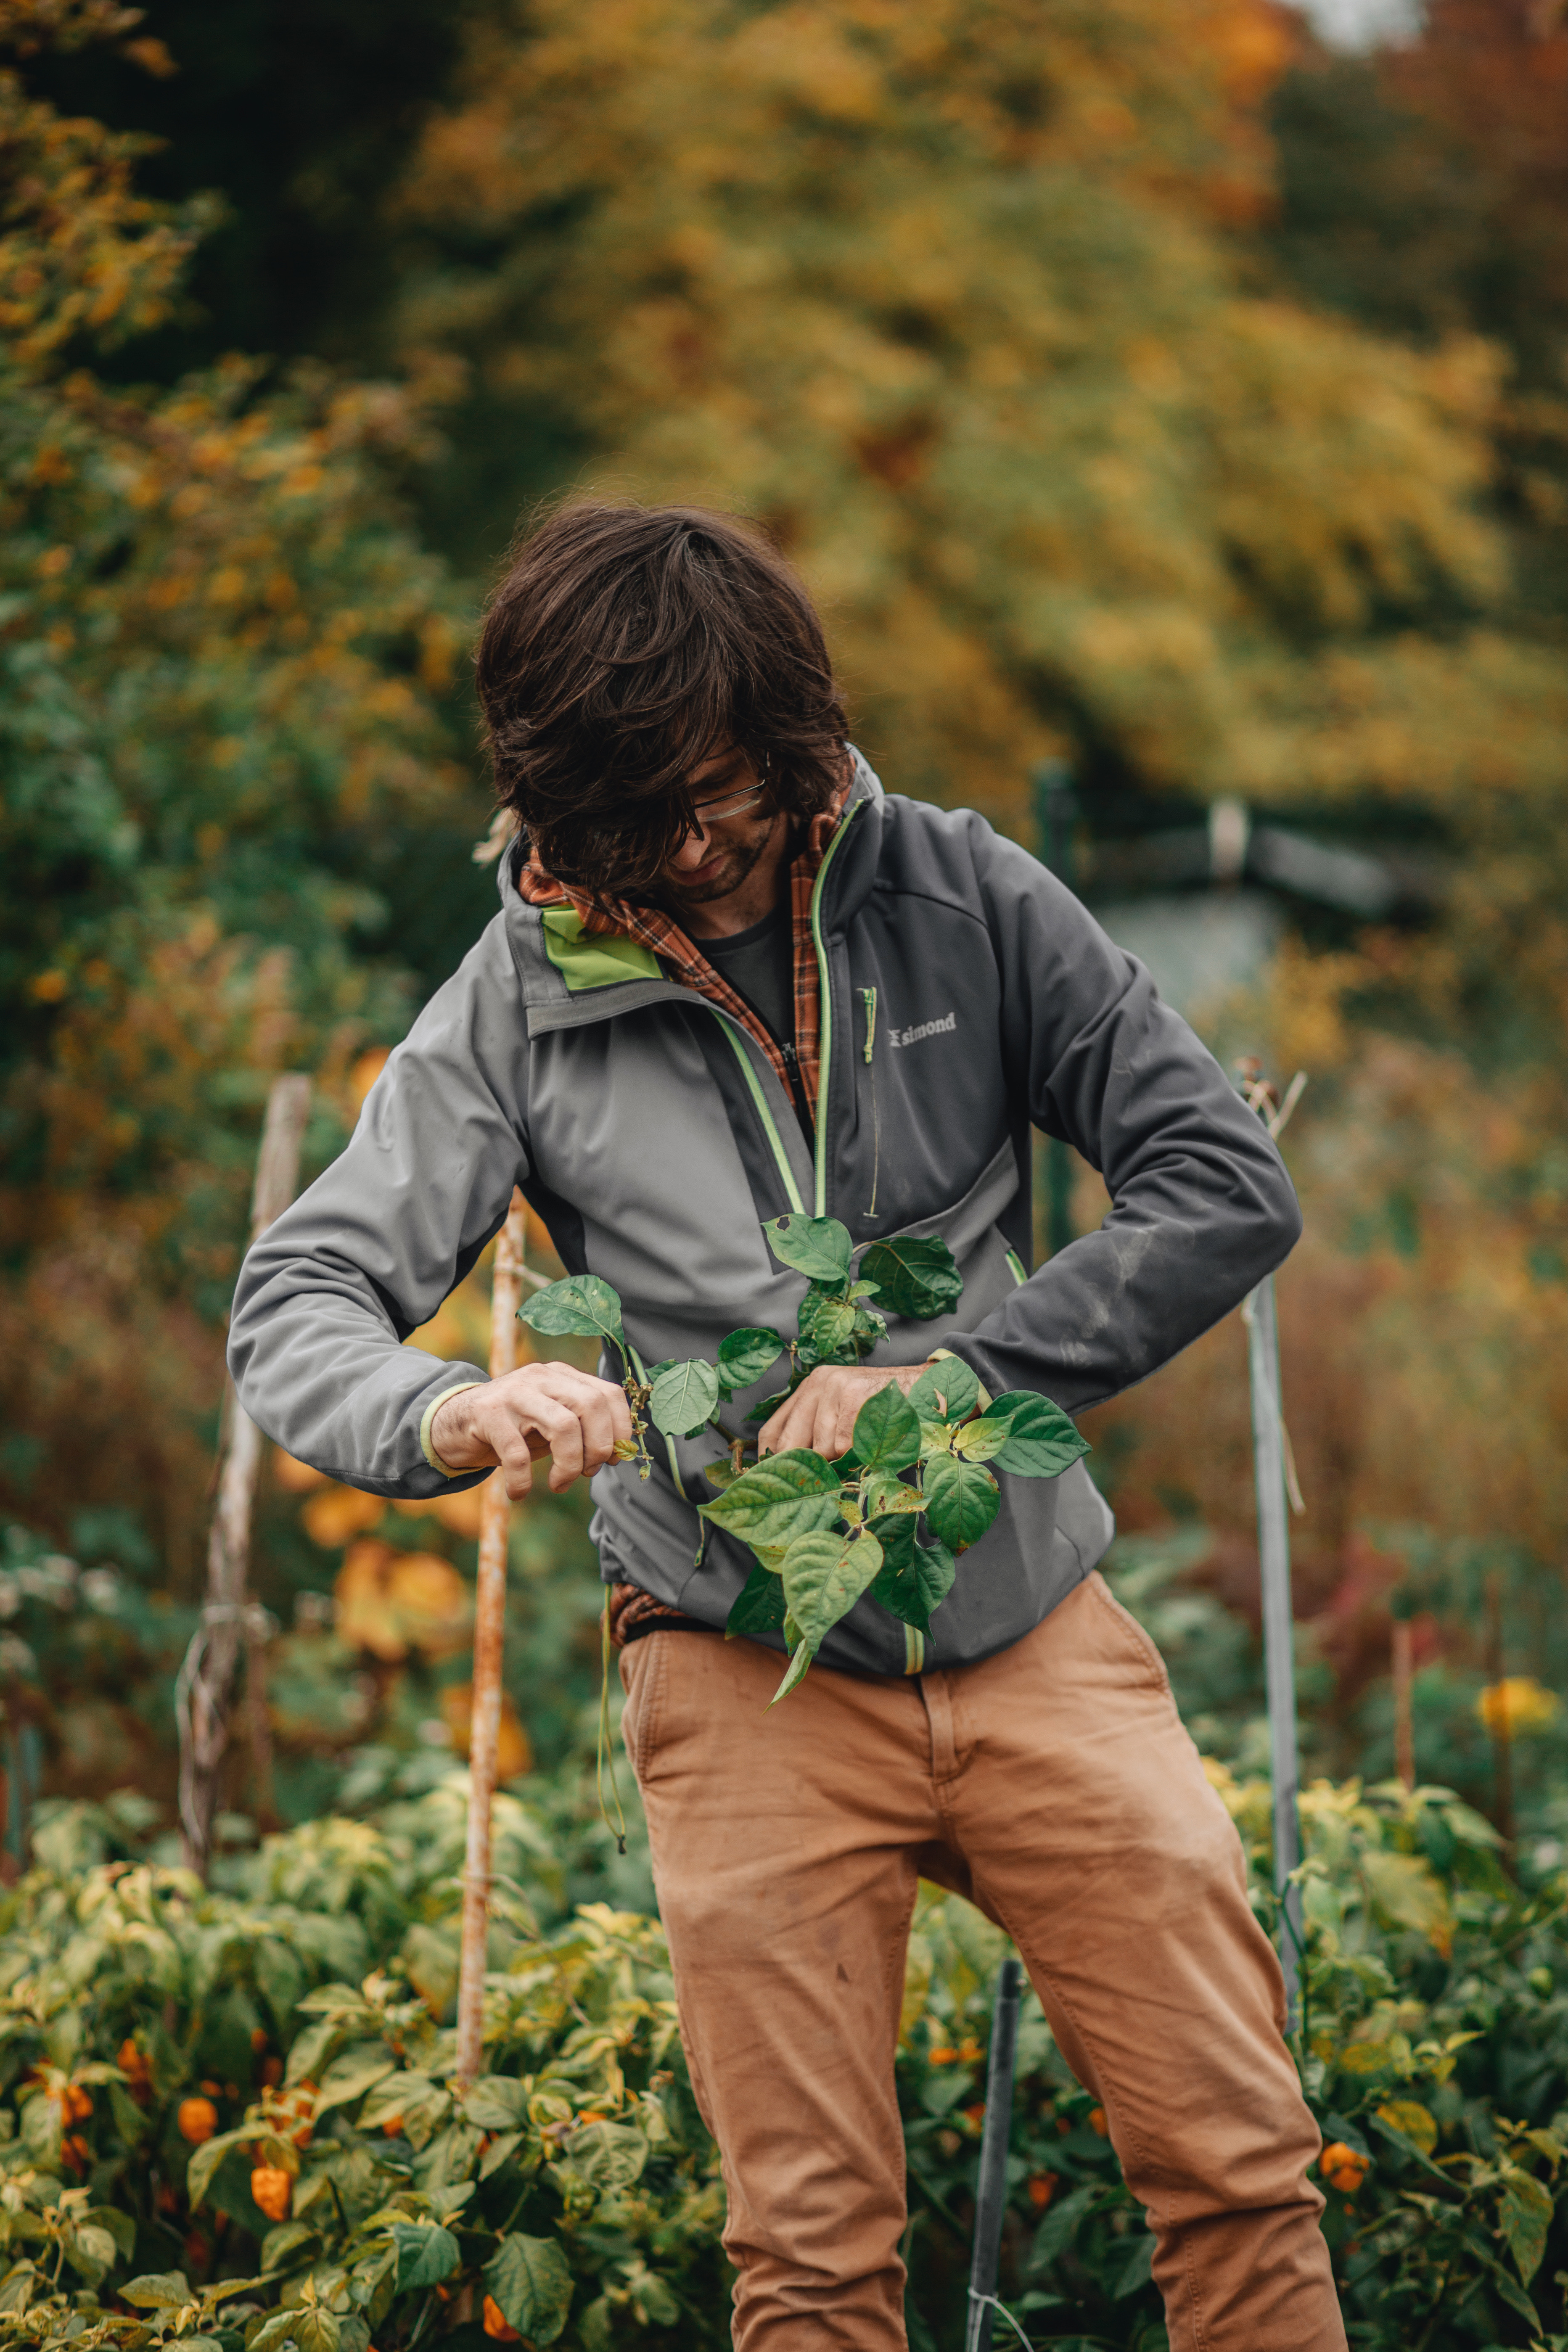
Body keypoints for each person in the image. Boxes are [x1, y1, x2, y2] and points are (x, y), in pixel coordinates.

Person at [229, 501, 1347, 2352]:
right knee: (813, 2262)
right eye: (642, 818)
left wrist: (964, 1378)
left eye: (729, 794)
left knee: (1239, 2163)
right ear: (555, 804)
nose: (695, 847)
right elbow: (297, 1297)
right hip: (736, 1666)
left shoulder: (964, 894)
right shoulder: (512, 1008)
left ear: (794, 736)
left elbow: (1220, 1179)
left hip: (1033, 1629)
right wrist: (449, 1402)